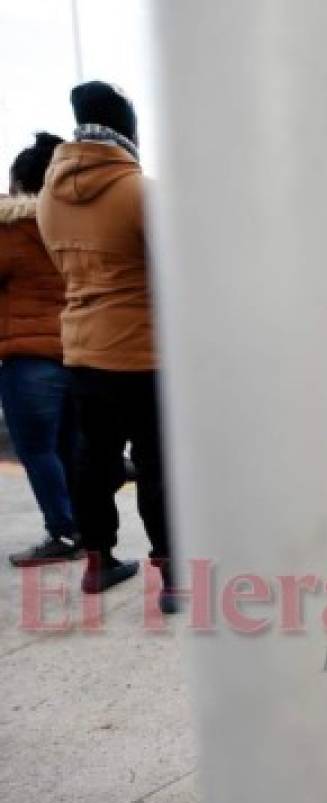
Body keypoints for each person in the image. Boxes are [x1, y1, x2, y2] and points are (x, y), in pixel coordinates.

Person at [37, 81, 176, 610]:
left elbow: (61, 268)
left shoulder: (50, 196)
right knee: (159, 463)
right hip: (144, 352)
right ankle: (173, 571)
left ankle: (97, 560)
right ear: (127, 127)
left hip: (82, 350)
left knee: (92, 460)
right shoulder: (140, 192)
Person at [1, 132, 84, 566]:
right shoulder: (77, 226)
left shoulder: (11, 230)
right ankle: (86, 530)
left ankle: (63, 532)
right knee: (72, 447)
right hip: (80, 350)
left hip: (29, 359)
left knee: (37, 449)